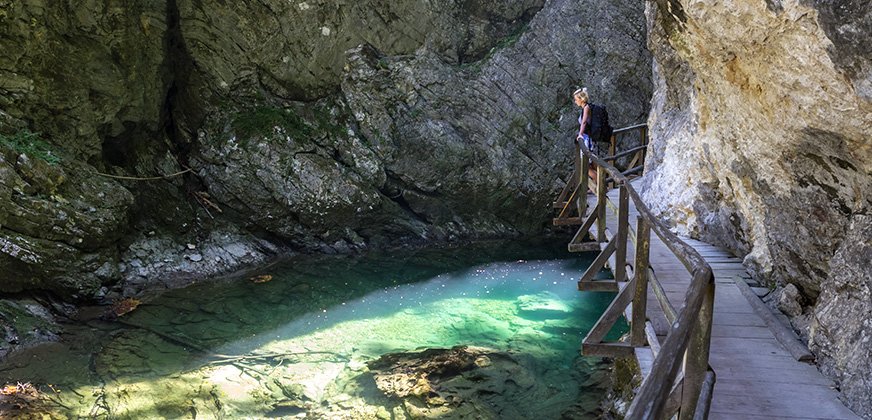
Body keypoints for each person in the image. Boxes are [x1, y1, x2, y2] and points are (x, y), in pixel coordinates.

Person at [573, 87, 598, 185]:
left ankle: (600, 187)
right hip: (588, 138)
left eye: (576, 99)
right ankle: (597, 186)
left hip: (588, 140)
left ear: (581, 99)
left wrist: (580, 134)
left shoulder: (586, 108)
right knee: (590, 164)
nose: (575, 102)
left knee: (585, 165)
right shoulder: (587, 107)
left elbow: (583, 123)